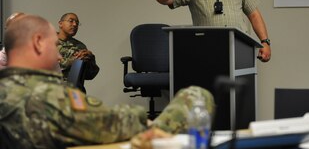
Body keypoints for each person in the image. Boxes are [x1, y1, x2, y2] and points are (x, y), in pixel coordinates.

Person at [0, 15, 214, 149]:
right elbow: (123, 123)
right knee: (196, 94)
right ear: (38, 42)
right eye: (54, 45)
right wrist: (191, 97)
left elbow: (91, 73)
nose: (58, 56)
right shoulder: (51, 100)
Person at [57, 12, 99, 81]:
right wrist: (73, 62)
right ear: (60, 23)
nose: (75, 24)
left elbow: (89, 75)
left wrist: (90, 59)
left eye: (77, 23)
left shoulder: (80, 47)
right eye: (71, 21)